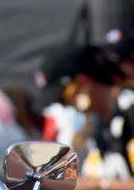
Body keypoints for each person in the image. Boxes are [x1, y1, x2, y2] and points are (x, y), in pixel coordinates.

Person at [36, 41, 134, 190]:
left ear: (84, 82)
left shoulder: (129, 110)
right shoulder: (94, 124)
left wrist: (99, 185)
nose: (66, 106)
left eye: (66, 98)